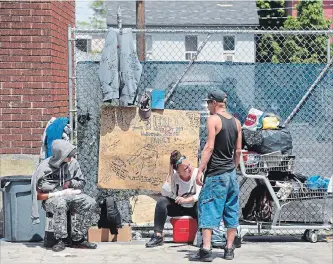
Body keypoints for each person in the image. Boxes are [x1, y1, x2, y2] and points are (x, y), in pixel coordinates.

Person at [194, 91, 242, 261]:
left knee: (209, 207)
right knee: (231, 209)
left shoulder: (213, 119)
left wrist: (200, 169)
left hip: (216, 174)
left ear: (214, 103)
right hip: (230, 174)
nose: (207, 106)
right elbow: (238, 151)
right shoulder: (236, 122)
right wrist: (232, 169)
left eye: (208, 103)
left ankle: (206, 249)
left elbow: (209, 147)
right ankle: (229, 249)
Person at [31, 139, 99, 252]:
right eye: (68, 155)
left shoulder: (73, 164)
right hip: (52, 198)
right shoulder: (44, 167)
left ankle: (78, 238)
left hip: (70, 194)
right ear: (60, 155)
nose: (70, 158)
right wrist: (57, 191)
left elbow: (82, 182)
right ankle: (60, 240)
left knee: (90, 202)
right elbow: (38, 192)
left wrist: (71, 183)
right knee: (61, 204)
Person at [145, 150, 202, 248]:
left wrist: (185, 200)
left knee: (201, 203)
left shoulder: (196, 173)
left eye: (189, 165)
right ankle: (158, 236)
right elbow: (165, 191)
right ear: (178, 172)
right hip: (179, 207)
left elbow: (199, 195)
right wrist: (170, 174)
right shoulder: (175, 176)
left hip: (194, 208)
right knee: (162, 201)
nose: (190, 169)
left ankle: (202, 236)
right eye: (186, 168)